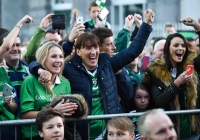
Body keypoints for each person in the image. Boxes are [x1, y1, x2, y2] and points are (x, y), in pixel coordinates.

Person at [29, 9, 154, 139]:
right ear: (78, 51)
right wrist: (39, 69)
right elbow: (40, 62)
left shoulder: (107, 63)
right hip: (83, 133)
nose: (93, 52)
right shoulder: (69, 68)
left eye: (95, 48)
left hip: (109, 132)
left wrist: (146, 25)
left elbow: (133, 51)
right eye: (88, 48)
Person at [143, 32, 199, 139]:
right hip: (169, 132)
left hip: (193, 132)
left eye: (183, 46)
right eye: (176, 45)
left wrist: (197, 28)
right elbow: (159, 101)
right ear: (168, 49)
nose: (180, 48)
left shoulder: (190, 67)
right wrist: (177, 83)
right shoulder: (156, 70)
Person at [20, 41, 77, 140]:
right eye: (54, 56)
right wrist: (54, 110)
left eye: (61, 56)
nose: (58, 60)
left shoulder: (65, 83)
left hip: (57, 136)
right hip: (33, 135)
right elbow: (25, 115)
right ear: (43, 59)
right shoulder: (30, 81)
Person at [0, 15, 33, 140]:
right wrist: (21, 22)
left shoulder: (30, 70)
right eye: (12, 45)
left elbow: (14, 107)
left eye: (18, 45)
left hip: (22, 128)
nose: (15, 48)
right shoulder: (2, 71)